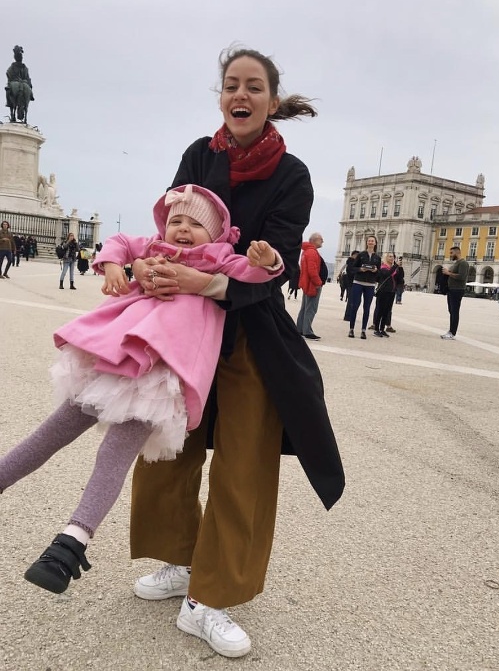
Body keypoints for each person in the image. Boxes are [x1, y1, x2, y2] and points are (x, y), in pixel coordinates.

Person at [123, 47, 344, 659]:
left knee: (245, 462)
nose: (239, 95)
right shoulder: (200, 154)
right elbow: (171, 221)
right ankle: (180, 560)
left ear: (273, 101)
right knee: (164, 446)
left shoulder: (292, 174)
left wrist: (221, 277)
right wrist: (146, 261)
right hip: (182, 325)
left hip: (251, 332)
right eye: (229, 85)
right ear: (221, 97)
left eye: (253, 86)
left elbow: (270, 267)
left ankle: (210, 596)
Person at [0, 183, 281, 598]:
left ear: (218, 232)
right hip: (117, 358)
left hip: (159, 378)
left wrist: (268, 260)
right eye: (175, 221)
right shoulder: (152, 247)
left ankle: (71, 542)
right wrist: (114, 265)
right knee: (53, 430)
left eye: (194, 224)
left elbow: (254, 275)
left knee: (114, 454)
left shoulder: (218, 258)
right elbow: (116, 242)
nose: (182, 230)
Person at [347, 236, 381, 339]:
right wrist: (360, 269)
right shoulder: (361, 255)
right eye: (369, 241)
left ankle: (363, 330)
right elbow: (352, 268)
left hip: (370, 284)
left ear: (375, 243)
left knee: (367, 308)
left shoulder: (377, 258)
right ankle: (351, 329)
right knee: (355, 306)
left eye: (372, 241)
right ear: (367, 243)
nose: (371, 242)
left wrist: (375, 271)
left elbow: (379, 272)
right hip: (358, 282)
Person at [296, 232, 327, 340]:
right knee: (311, 308)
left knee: (305, 307)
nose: (322, 241)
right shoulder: (312, 252)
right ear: (314, 240)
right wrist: (318, 283)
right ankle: (307, 331)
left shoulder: (306, 252)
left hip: (307, 283)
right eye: (321, 239)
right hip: (312, 285)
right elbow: (312, 270)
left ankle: (299, 329)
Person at [440, 245, 468, 340]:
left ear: (457, 252)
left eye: (452, 253)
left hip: (458, 290)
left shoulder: (463, 263)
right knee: (451, 311)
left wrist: (448, 273)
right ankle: (450, 331)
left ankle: (452, 333)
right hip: (452, 289)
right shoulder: (456, 263)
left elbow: (462, 277)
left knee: (455, 311)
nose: (450, 255)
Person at [372, 252, 399, 337]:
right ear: (386, 258)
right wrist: (395, 266)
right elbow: (387, 274)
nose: (392, 258)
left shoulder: (393, 268)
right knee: (380, 310)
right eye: (390, 257)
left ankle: (382, 329)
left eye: (393, 257)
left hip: (391, 291)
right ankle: (376, 329)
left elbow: (399, 278)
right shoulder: (383, 267)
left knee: (386, 311)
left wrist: (399, 267)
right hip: (383, 291)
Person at [343, 250, 359, 320]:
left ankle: (350, 315)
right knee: (351, 300)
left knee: (353, 300)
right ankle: (348, 316)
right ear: (353, 255)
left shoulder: (352, 263)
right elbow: (351, 273)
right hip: (351, 283)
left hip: (352, 283)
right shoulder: (351, 263)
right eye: (357, 256)